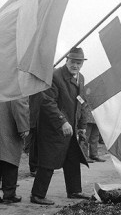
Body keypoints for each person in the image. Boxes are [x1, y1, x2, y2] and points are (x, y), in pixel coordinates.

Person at [30, 47, 90, 205]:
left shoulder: (81, 78)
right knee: (48, 160)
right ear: (67, 60)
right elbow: (47, 102)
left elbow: (82, 103)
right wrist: (62, 121)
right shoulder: (55, 76)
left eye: (79, 63)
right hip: (53, 128)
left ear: (82, 63)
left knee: (72, 159)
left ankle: (74, 190)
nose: (75, 65)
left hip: (71, 128)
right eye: (73, 62)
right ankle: (37, 195)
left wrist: (82, 125)